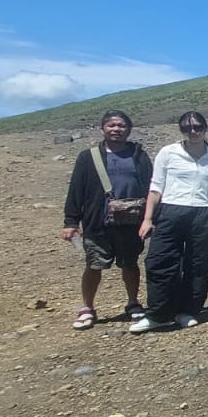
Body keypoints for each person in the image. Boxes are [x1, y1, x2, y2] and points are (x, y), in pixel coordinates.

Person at [131, 111, 208, 333]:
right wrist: (147, 218)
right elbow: (156, 188)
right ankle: (158, 313)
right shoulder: (168, 153)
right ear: (181, 130)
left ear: (205, 128)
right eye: (187, 128)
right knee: (160, 261)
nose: (193, 132)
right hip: (171, 210)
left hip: (202, 212)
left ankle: (188, 310)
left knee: (197, 264)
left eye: (198, 127)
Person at [61, 110, 152, 329]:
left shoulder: (138, 154)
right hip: (98, 220)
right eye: (111, 125)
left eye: (121, 126)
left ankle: (133, 302)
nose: (116, 129)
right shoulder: (88, 157)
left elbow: (151, 185)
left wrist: (151, 217)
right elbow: (76, 189)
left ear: (128, 130)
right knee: (94, 264)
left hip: (131, 221)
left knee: (130, 263)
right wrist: (71, 222)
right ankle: (88, 307)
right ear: (103, 128)